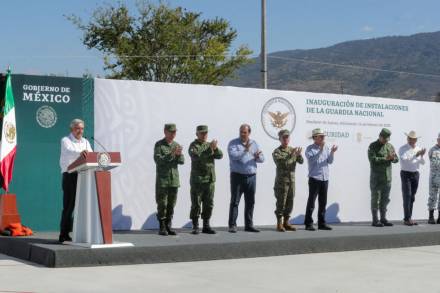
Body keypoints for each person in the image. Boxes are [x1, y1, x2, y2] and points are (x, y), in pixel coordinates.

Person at [59, 119, 93, 243]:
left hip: (84, 175)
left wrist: (89, 155)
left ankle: (82, 234)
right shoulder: (65, 140)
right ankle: (64, 234)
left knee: (84, 206)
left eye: (82, 128)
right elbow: (69, 152)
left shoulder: (86, 142)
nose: (80, 131)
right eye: (78, 128)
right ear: (72, 129)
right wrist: (81, 152)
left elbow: (91, 155)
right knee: (69, 206)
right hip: (70, 176)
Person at [227, 124, 264, 233]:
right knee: (235, 202)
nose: (242, 134)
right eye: (241, 132)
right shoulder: (233, 143)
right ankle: (232, 225)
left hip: (251, 177)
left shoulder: (254, 143)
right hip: (237, 176)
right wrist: (245, 150)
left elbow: (262, 159)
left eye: (245, 132)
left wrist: (258, 157)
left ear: (249, 133)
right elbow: (234, 156)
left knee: (250, 202)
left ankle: (249, 225)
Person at [188, 125, 223, 234]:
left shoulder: (210, 145)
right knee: (196, 204)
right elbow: (196, 156)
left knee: (209, 203)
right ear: (197, 134)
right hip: (198, 180)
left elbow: (220, 155)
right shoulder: (193, 146)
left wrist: (215, 148)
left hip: (209, 180)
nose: (204, 135)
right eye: (202, 133)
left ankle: (206, 225)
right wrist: (210, 149)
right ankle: (195, 226)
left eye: (205, 133)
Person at [153, 123, 184, 236]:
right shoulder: (159, 145)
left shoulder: (176, 145)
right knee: (162, 203)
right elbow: (158, 160)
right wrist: (171, 154)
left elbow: (182, 161)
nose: (172, 134)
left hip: (174, 180)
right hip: (163, 180)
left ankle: (168, 225)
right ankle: (162, 226)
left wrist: (179, 154)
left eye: (174, 132)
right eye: (170, 132)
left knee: (172, 203)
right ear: (165, 131)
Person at [304, 128, 337, 231]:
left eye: (323, 136)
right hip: (314, 178)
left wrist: (332, 152)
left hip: (325, 178)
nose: (323, 137)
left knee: (323, 202)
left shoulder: (326, 147)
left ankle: (321, 223)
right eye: (320, 136)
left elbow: (330, 161)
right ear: (315, 138)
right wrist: (321, 150)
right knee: (311, 202)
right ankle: (308, 224)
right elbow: (312, 160)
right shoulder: (310, 148)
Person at [272, 129, 303, 232]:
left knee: (290, 202)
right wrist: (291, 155)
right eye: (284, 137)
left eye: (287, 137)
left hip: (291, 181)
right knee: (281, 202)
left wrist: (298, 155)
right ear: (280, 139)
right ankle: (279, 224)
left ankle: (286, 222)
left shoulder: (292, 149)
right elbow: (282, 164)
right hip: (282, 182)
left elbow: (301, 161)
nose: (286, 139)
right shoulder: (277, 152)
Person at [368, 128, 399, 227]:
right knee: (375, 199)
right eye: (384, 138)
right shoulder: (373, 146)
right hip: (376, 178)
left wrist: (393, 158)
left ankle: (383, 218)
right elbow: (372, 160)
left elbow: (396, 159)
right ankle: (375, 220)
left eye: (387, 139)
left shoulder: (390, 146)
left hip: (387, 177)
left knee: (385, 199)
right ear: (380, 136)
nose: (386, 141)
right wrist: (386, 158)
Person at [398, 131, 425, 226]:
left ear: (416, 140)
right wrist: (416, 154)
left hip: (415, 174)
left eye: (413, 139)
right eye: (410, 138)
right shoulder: (403, 148)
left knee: (412, 197)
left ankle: (409, 217)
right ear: (407, 139)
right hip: (406, 174)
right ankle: (407, 218)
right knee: (407, 195)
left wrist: (421, 155)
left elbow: (422, 163)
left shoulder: (418, 148)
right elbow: (404, 159)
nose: (412, 140)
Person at [428, 133, 440, 224]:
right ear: (437, 139)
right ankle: (431, 217)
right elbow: (433, 162)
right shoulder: (432, 150)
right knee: (432, 196)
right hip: (434, 177)